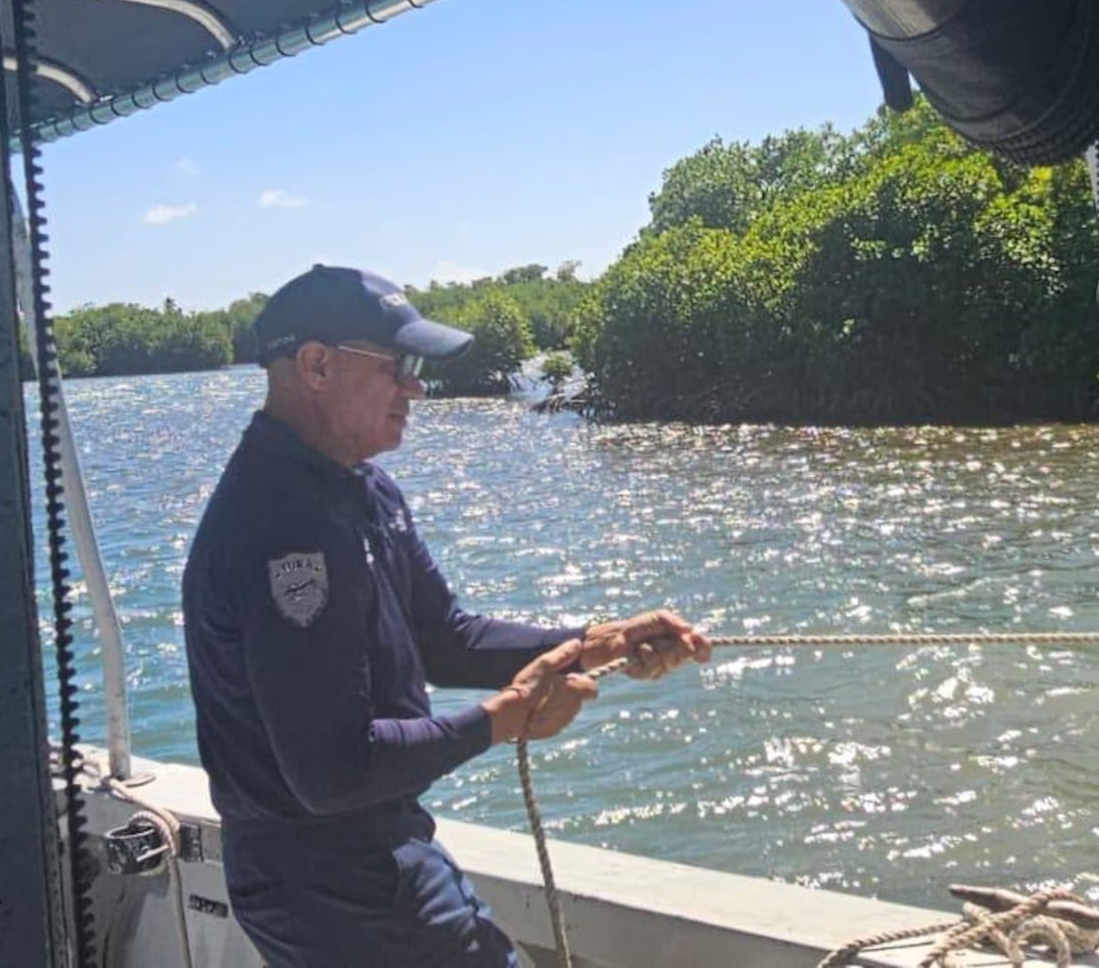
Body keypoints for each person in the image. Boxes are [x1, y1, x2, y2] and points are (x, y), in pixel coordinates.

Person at [182, 264, 712, 966]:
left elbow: (447, 639)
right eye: (397, 365)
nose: (416, 388)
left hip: (381, 848)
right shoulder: (280, 523)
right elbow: (332, 771)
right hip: (325, 881)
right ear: (316, 365)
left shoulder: (362, 488)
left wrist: (599, 642)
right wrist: (503, 719)